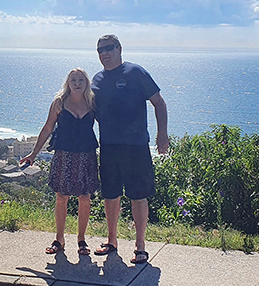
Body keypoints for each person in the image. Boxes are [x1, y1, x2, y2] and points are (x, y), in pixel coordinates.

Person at [91, 34, 168, 264]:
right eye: (100, 50)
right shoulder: (97, 79)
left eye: (109, 48)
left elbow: (159, 103)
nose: (104, 53)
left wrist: (162, 135)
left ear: (119, 48)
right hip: (108, 147)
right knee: (110, 196)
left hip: (136, 146)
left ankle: (140, 246)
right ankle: (112, 241)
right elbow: (87, 108)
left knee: (138, 196)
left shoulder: (136, 73)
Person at [20, 68, 100, 256]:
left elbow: (107, 125)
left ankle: (81, 240)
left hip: (86, 155)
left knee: (85, 199)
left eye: (81, 79)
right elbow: (47, 128)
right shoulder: (59, 103)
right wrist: (33, 154)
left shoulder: (93, 103)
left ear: (86, 83)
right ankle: (59, 239)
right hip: (63, 155)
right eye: (73, 80)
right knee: (61, 197)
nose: (77, 83)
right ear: (68, 83)